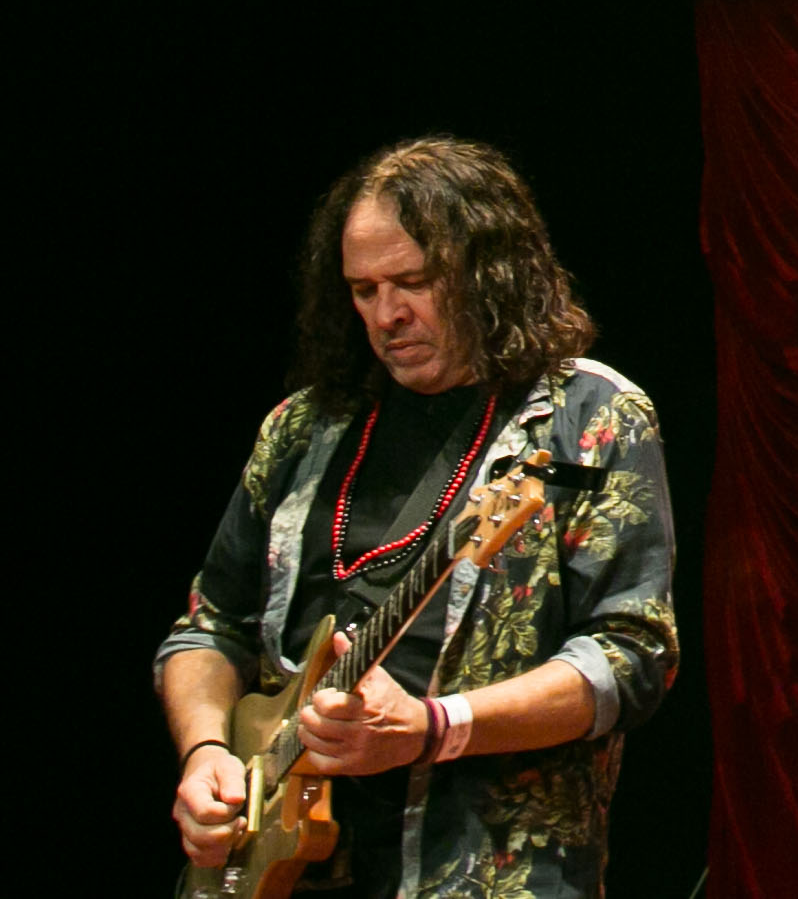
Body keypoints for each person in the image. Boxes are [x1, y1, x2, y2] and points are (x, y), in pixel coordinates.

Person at [155, 136, 680, 897]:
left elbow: (632, 656)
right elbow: (209, 628)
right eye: (363, 290)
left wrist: (436, 726)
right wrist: (206, 752)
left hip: (488, 872)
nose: (387, 314)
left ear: (490, 272)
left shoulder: (591, 417)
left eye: (413, 282)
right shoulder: (304, 428)